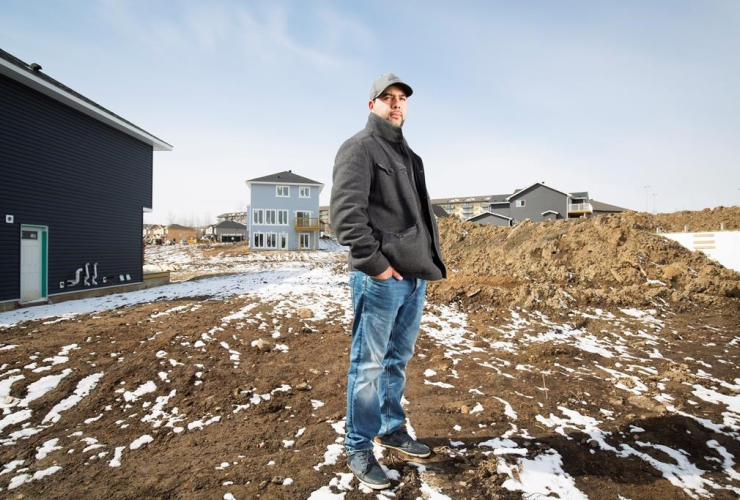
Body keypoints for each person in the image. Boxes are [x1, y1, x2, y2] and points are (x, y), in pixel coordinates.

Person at [330, 73, 446, 490]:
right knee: (368, 365)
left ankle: (391, 428)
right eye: (387, 98)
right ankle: (358, 446)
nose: (396, 104)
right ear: (371, 105)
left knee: (397, 359)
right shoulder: (359, 148)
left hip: (414, 278)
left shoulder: (409, 156)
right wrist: (376, 265)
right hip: (380, 279)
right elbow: (345, 218)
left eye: (401, 99)